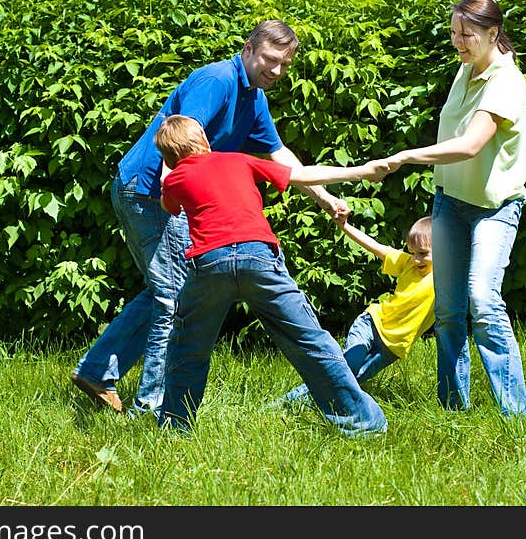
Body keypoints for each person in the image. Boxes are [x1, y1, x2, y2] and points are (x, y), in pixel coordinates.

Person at [71, 20, 352, 417]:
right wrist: (173, 190)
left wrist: (324, 197)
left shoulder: (255, 99)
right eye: (270, 60)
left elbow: (278, 155)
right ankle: (152, 408)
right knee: (172, 295)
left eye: (285, 64)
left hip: (171, 195)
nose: (276, 70)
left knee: (165, 289)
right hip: (149, 191)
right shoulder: (217, 80)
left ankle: (98, 370)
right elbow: (183, 136)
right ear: (249, 49)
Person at [154, 114, 391, 437]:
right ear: (206, 141)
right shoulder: (238, 160)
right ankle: (361, 423)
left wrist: (169, 170)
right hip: (258, 255)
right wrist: (362, 171)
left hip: (209, 263)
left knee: (187, 347)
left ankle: (175, 427)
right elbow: (301, 174)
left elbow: (170, 207)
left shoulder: (175, 178)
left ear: (169, 156)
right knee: (309, 339)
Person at [385, 0, 526, 416]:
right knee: (448, 312)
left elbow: (469, 145)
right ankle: (452, 410)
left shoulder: (506, 81)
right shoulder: (464, 69)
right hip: (450, 202)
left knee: (482, 302)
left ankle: (516, 415)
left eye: (467, 35)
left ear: (493, 33)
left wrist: (405, 156)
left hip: (494, 208)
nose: (458, 42)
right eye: (453, 33)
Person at [278, 215, 434, 406]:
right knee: (345, 370)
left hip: (393, 348)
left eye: (423, 253)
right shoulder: (407, 263)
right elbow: (376, 247)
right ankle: (288, 402)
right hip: (372, 323)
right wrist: (345, 227)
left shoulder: (444, 279)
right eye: (412, 253)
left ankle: (313, 403)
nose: (416, 259)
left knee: (351, 382)